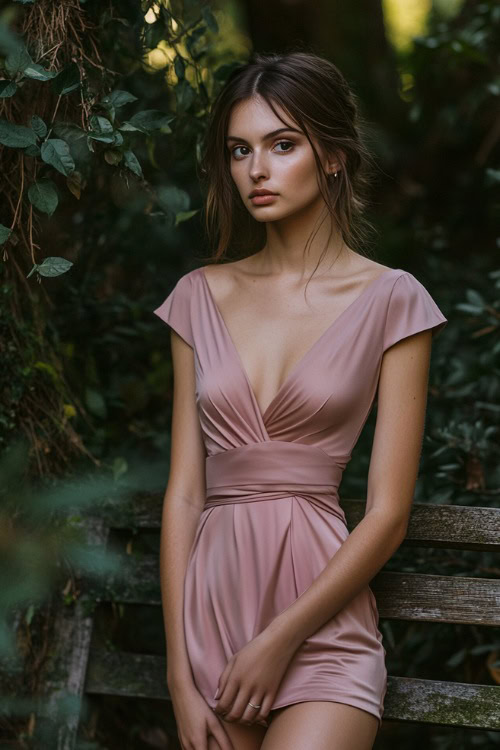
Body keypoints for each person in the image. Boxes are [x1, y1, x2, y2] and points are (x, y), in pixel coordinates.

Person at [153, 50, 448, 750]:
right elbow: (185, 494)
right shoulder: (200, 296)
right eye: (239, 150)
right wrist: (178, 676)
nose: (257, 169)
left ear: (334, 156)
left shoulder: (392, 300)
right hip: (213, 624)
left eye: (283, 145)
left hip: (319, 631)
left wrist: (280, 640)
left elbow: (389, 513)